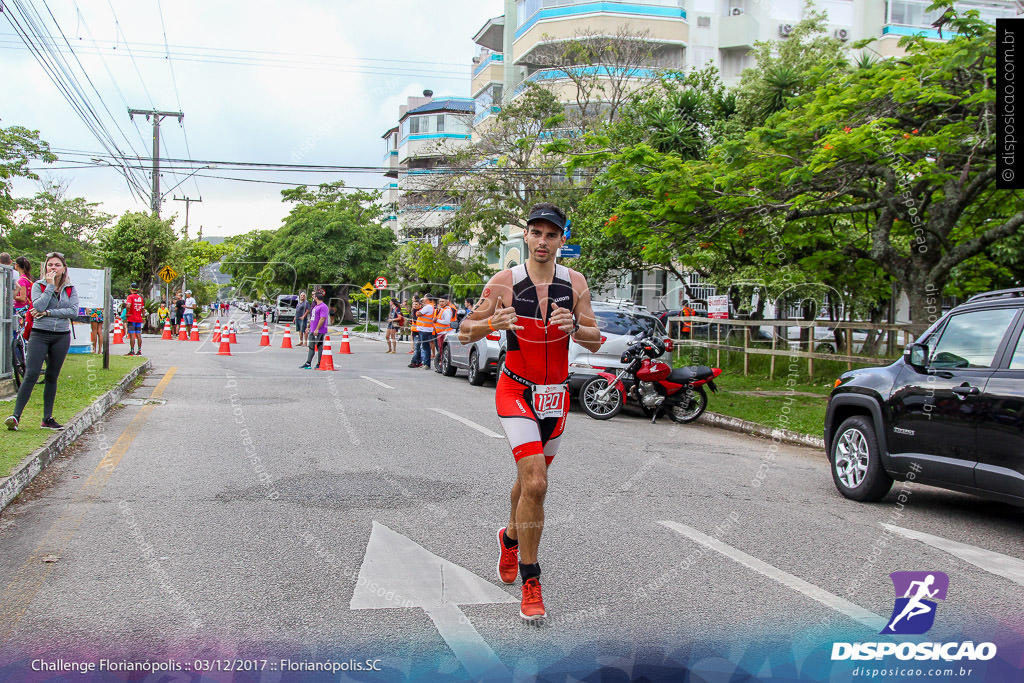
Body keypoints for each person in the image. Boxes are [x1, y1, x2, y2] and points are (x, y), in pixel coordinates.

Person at [457, 203, 601, 622]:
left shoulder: (575, 284)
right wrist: (491, 325)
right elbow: (465, 329)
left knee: (530, 483)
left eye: (551, 234)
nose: (542, 241)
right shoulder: (504, 282)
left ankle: (509, 538)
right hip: (515, 389)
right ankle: (531, 579)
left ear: (562, 240)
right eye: (536, 232)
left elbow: (593, 339)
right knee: (536, 483)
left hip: (555, 396)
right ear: (525, 236)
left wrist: (574, 327)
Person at [6, 252, 80, 431]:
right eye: (50, 265)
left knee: (52, 376)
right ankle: (15, 416)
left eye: (57, 265)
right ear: (45, 268)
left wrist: (48, 313)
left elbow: (73, 311)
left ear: (63, 269)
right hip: (39, 334)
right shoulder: (38, 286)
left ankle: (47, 418)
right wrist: (50, 286)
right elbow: (38, 305)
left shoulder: (70, 289)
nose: (53, 268)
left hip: (61, 335)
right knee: (31, 374)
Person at [300, 291, 329, 369]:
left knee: (317, 346)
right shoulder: (316, 306)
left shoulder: (323, 307)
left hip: (319, 330)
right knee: (313, 346)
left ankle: (317, 363)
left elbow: (322, 318)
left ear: (316, 297)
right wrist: (308, 327)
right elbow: (312, 318)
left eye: (313, 296)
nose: (312, 297)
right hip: (313, 329)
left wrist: (317, 329)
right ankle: (310, 363)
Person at [409, 293, 435, 369]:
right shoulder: (428, 306)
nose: (423, 299)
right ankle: (423, 363)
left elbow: (419, 313)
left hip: (425, 330)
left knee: (425, 347)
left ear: (427, 299)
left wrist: (418, 313)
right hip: (424, 329)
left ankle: (427, 364)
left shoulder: (428, 307)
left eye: (424, 298)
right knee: (424, 347)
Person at [433, 295, 457, 372]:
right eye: (440, 301)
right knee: (441, 350)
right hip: (441, 332)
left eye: (443, 301)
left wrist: (437, 320)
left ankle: (443, 366)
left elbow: (447, 322)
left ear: (447, 302)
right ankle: (442, 366)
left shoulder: (447, 310)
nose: (441, 303)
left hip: (444, 333)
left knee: (442, 350)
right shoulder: (443, 309)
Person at [125, 283, 145, 355]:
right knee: (138, 334)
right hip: (138, 318)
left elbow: (128, 305)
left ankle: (132, 350)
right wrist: (143, 317)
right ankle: (139, 350)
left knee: (132, 335)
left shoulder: (130, 297)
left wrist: (127, 313)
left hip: (131, 318)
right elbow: (143, 309)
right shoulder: (140, 298)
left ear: (131, 289)